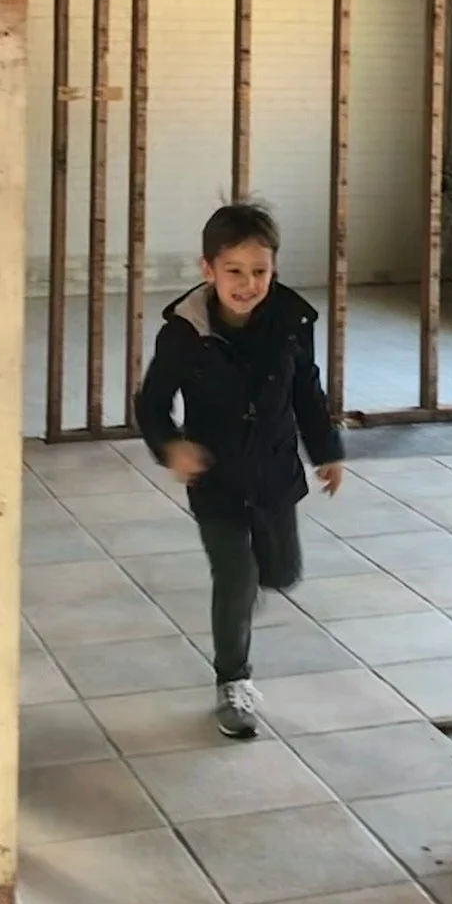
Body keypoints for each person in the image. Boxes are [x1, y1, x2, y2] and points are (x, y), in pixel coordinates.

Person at [136, 201, 344, 739]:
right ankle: (234, 681)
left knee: (280, 572)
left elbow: (306, 390)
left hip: (274, 472)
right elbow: (151, 403)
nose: (247, 284)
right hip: (218, 479)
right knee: (234, 574)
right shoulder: (185, 332)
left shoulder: (293, 322)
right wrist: (171, 447)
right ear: (208, 270)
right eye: (234, 271)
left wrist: (327, 450)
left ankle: (259, 578)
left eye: (260, 271)